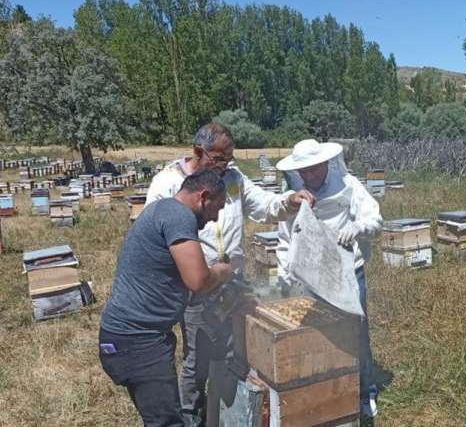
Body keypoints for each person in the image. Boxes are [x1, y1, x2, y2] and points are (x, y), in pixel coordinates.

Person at [146, 123, 314, 427]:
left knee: (238, 350)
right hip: (196, 285)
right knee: (197, 360)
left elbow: (264, 206)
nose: (225, 166)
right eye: (219, 159)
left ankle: (229, 414)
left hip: (233, 280)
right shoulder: (167, 183)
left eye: (229, 159)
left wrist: (289, 201)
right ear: (198, 151)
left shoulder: (234, 178)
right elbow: (154, 234)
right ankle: (192, 417)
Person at [99, 171, 232, 427]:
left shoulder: (163, 209)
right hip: (138, 342)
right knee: (167, 423)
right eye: (218, 207)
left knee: (160, 417)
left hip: (129, 338)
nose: (216, 217)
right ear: (204, 197)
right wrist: (221, 272)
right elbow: (199, 281)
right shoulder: (179, 216)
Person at [275, 138, 383, 419]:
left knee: (356, 332)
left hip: (348, 273)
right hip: (313, 278)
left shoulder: (348, 184)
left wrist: (358, 226)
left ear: (325, 163)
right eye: (304, 171)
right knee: (318, 337)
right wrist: (284, 272)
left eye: (314, 169)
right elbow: (286, 237)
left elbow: (375, 219)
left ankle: (364, 392)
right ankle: (326, 393)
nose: (309, 175)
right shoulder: (293, 193)